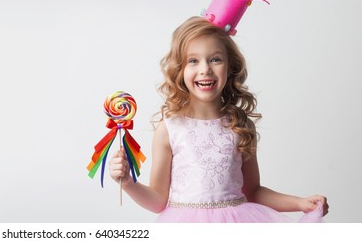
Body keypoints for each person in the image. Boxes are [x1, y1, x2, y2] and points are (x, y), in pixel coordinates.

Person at [108, 16, 329, 222]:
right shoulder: (169, 129)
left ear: (230, 66)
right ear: (180, 70)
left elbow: (253, 191)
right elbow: (157, 200)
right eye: (193, 61)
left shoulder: (240, 126)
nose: (205, 69)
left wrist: (300, 203)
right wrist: (128, 183)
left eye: (215, 59)